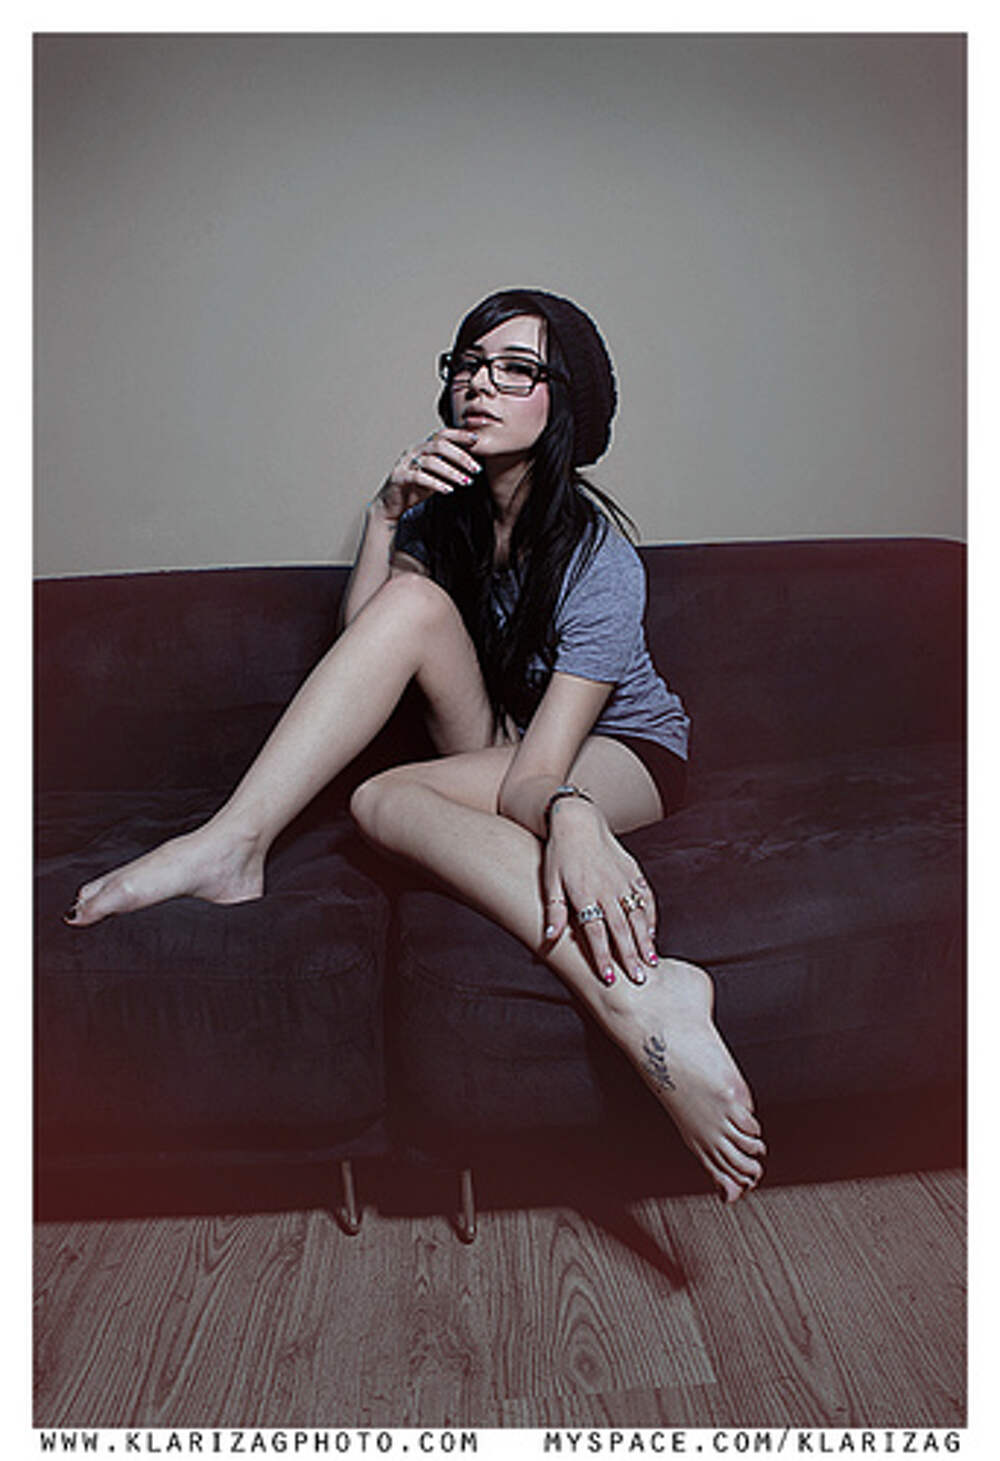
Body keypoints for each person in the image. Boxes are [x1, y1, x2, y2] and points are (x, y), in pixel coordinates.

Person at [64, 288, 766, 1204]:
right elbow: (370, 651)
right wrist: (386, 516)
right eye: (469, 363)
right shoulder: (444, 518)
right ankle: (232, 841)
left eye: (516, 368)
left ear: (565, 403)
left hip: (619, 749)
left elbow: (540, 772)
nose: (481, 382)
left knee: (381, 798)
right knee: (409, 623)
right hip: (507, 743)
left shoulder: (599, 559)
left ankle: (638, 995)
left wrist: (574, 815)